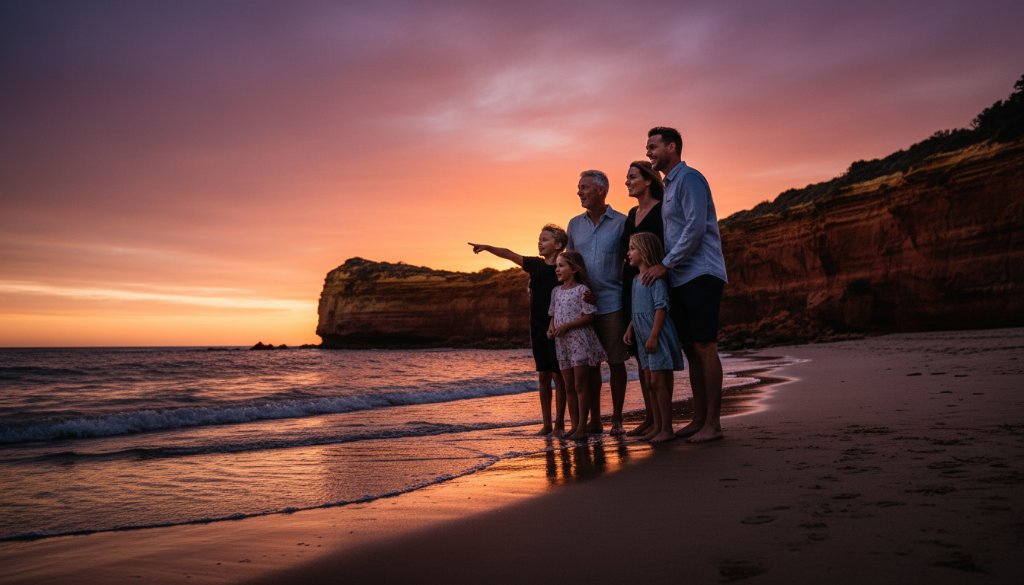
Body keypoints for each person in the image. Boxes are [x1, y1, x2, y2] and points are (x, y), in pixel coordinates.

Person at [641, 126, 728, 443]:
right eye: (647, 146)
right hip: (681, 275)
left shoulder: (690, 179)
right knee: (692, 348)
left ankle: (714, 425)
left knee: (705, 345)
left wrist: (665, 264)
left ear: (672, 147)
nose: (648, 151)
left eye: (653, 145)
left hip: (701, 272)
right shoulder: (669, 186)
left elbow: (694, 228)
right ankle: (699, 418)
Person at [469, 225, 570, 437]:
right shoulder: (535, 265)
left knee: (559, 376)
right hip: (537, 327)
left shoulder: (563, 268)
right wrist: (487, 247)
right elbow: (509, 254)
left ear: (559, 245)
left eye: (545, 239)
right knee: (543, 375)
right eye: (539, 239)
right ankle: (546, 425)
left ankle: (560, 424)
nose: (540, 243)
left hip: (559, 328)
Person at [566, 170, 629, 435]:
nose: (579, 192)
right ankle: (594, 421)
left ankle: (617, 419)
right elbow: (569, 263)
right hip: (584, 306)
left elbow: (630, 261)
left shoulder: (623, 222)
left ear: (600, 190)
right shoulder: (574, 224)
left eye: (584, 187)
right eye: (579, 187)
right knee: (590, 366)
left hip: (613, 301)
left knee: (616, 361)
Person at [623, 232, 685, 444]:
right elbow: (636, 309)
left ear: (645, 251)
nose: (628, 253)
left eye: (632, 248)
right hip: (641, 334)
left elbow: (661, 308)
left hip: (655, 334)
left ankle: (667, 428)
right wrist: (630, 328)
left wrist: (654, 335)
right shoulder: (635, 280)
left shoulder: (654, 278)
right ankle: (657, 426)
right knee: (650, 381)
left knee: (659, 382)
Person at [619, 161, 666, 437]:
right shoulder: (631, 213)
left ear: (648, 180)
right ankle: (650, 418)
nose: (627, 181)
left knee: (655, 353)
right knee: (640, 356)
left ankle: (662, 422)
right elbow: (624, 251)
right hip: (631, 284)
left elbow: (668, 244)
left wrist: (662, 271)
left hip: (655, 281)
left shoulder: (663, 209)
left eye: (632, 177)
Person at [547, 251, 607, 441]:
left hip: (579, 340)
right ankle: (574, 426)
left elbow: (589, 316)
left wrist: (566, 326)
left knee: (581, 384)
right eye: (556, 265)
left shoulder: (582, 290)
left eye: (562, 265)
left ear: (574, 269)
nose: (557, 269)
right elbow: (553, 315)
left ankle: (583, 426)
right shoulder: (555, 292)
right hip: (561, 342)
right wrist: (551, 329)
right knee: (569, 385)